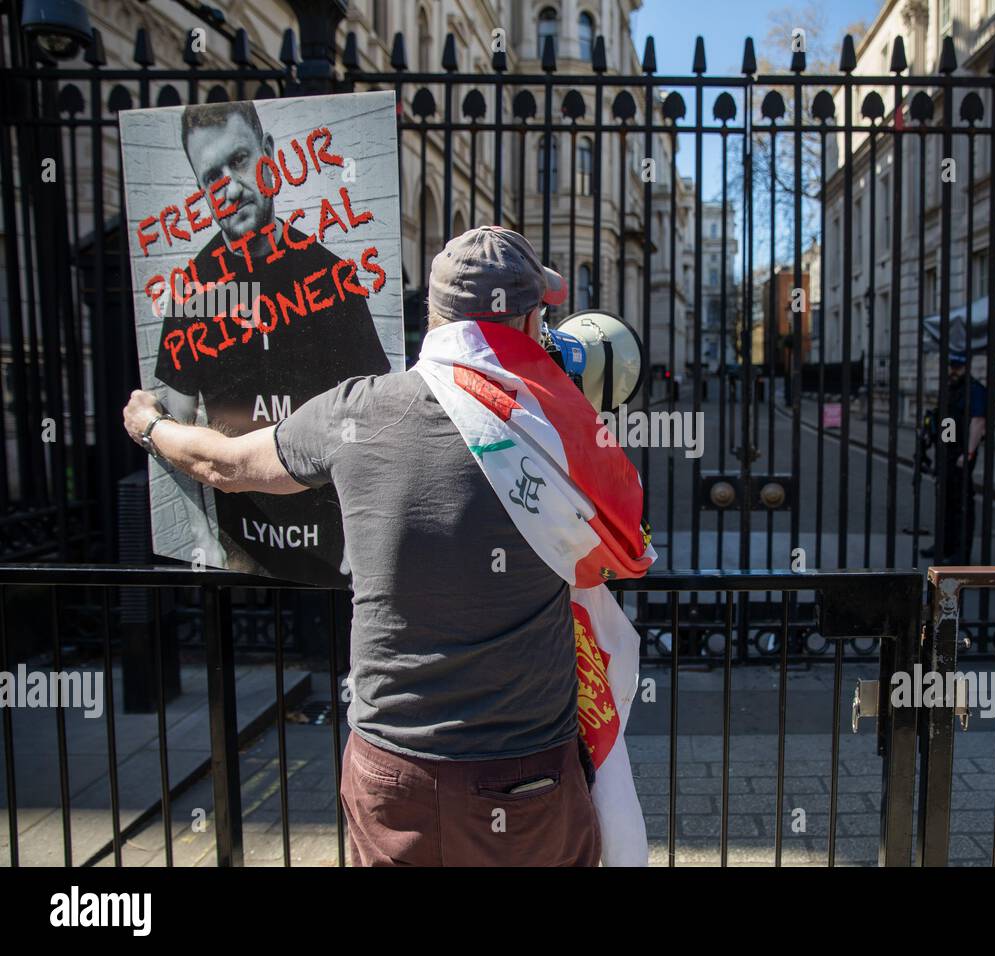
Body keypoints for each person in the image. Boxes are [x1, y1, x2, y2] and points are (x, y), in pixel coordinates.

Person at [123, 227, 651, 866]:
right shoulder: (559, 438)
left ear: (431, 315)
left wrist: (152, 425)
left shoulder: (356, 411)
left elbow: (227, 465)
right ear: (535, 317)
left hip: (390, 770)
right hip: (524, 777)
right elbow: (620, 542)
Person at [152, 100, 391, 587]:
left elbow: (376, 413)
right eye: (210, 176)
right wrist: (200, 536)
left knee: (327, 656)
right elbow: (175, 423)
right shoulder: (191, 287)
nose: (228, 188)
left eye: (239, 161)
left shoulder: (331, 275)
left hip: (331, 550)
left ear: (268, 154)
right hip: (236, 555)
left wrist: (360, 535)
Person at [921, 352, 987, 564]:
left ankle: (961, 553)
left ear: (967, 367)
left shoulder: (974, 390)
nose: (952, 371)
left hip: (961, 454)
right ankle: (944, 545)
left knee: (961, 504)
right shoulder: (951, 389)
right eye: (951, 366)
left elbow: (978, 422)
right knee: (945, 502)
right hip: (946, 452)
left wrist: (968, 453)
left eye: (957, 367)